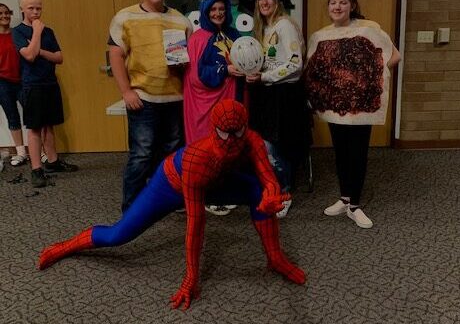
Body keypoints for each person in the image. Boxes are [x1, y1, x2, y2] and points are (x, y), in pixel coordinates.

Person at [37, 99, 306, 310]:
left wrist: (270, 195)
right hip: (171, 184)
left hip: (217, 180)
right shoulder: (197, 157)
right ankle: (65, 247)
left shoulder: (251, 139)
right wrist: (191, 276)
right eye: (226, 134)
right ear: (215, 130)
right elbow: (196, 223)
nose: (233, 141)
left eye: (238, 133)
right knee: (119, 234)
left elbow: (267, 177)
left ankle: (275, 258)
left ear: (245, 127)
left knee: (257, 190)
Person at [304, 0, 401, 229]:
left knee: (357, 154)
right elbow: (315, 69)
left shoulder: (369, 29)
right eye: (333, 2)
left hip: (360, 107)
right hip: (336, 107)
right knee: (341, 152)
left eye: (343, 2)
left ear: (352, 5)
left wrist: (369, 79)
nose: (337, 6)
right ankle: (344, 197)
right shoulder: (322, 35)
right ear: (328, 7)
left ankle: (355, 205)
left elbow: (394, 56)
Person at [108, 0, 192, 212]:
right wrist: (126, 92)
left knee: (172, 154)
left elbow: (188, 57)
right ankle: (132, 207)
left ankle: (167, 199)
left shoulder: (180, 19)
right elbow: (115, 55)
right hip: (142, 98)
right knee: (142, 154)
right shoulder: (125, 17)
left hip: (175, 97)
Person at [239, 0, 312, 218]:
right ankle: (273, 188)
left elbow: (295, 64)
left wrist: (265, 77)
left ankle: (284, 193)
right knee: (265, 144)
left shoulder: (284, 25)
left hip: (284, 96)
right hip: (267, 94)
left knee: (278, 146)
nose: (265, 2)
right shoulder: (265, 28)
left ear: (278, 2)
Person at [184, 0, 244, 216]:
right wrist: (225, 69)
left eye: (222, 9)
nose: (218, 13)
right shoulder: (198, 39)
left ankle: (229, 193)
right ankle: (210, 195)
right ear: (205, 12)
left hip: (234, 98)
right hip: (208, 104)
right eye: (213, 9)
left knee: (232, 146)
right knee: (210, 148)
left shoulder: (235, 35)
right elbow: (196, 77)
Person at [12, 0, 78, 188]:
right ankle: (36, 170)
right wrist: (37, 33)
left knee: (49, 125)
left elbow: (59, 57)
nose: (35, 12)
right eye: (31, 8)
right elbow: (30, 56)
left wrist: (41, 49)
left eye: (38, 8)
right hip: (33, 85)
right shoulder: (18, 32)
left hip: (50, 83)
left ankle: (53, 162)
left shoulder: (49, 31)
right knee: (35, 128)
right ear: (23, 8)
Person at [0, 3, 27, 166]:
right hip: (2, 82)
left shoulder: (17, 34)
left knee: (33, 115)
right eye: (1, 13)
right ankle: (21, 152)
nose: (4, 16)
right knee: (12, 116)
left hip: (23, 80)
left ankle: (42, 151)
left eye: (7, 13)